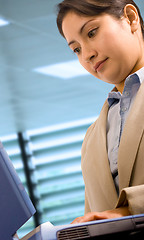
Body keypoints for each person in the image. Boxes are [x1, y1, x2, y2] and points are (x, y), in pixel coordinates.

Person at [56, 0, 144, 224]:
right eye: (76, 49)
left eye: (92, 33)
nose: (86, 54)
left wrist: (128, 211)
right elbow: (95, 218)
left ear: (131, 18)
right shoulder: (92, 139)